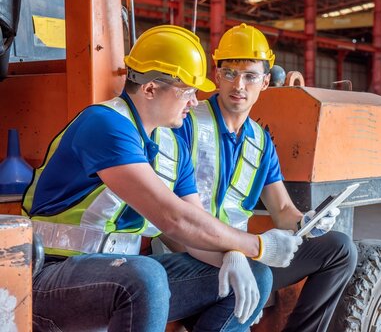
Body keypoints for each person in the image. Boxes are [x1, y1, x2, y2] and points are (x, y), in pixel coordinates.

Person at [22, 25, 302, 332]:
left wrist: (235, 256)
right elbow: (174, 219)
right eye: (187, 91)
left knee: (255, 275)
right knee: (146, 276)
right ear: (151, 89)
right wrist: (256, 244)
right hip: (51, 275)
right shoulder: (104, 124)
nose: (196, 102)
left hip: (120, 274)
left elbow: (193, 226)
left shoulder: (174, 146)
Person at [171, 23, 358, 332]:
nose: (239, 85)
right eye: (230, 73)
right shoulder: (185, 124)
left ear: (266, 82)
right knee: (258, 274)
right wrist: (232, 253)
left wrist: (306, 221)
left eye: (250, 76)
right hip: (194, 254)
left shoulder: (260, 141)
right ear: (216, 75)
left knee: (339, 249)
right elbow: (173, 221)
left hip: (247, 250)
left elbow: (282, 210)